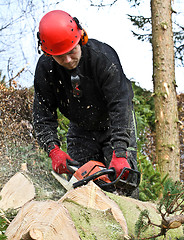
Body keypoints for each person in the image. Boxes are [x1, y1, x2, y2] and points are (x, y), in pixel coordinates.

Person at [33, 10, 139, 198]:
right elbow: (43, 114)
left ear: (81, 38)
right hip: (80, 129)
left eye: (71, 52)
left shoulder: (103, 58)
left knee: (123, 185)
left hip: (114, 125)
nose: (67, 60)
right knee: (82, 189)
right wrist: (53, 149)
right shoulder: (45, 69)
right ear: (48, 53)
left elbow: (120, 105)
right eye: (60, 56)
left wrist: (120, 151)